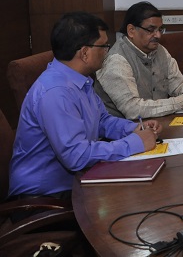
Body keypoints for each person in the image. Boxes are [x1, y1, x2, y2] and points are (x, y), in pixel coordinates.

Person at [8, 12, 160, 199]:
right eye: (104, 46)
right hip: (44, 197)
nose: (107, 51)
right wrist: (135, 143)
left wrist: (133, 129)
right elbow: (76, 156)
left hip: (76, 182)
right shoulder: (56, 92)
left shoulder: (79, 80)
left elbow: (101, 121)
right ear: (85, 53)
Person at [94, 1, 183, 119]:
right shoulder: (116, 61)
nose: (158, 35)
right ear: (131, 30)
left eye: (160, 29)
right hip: (124, 128)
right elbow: (133, 110)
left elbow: (176, 84)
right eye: (151, 30)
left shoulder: (159, 50)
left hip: (157, 123)